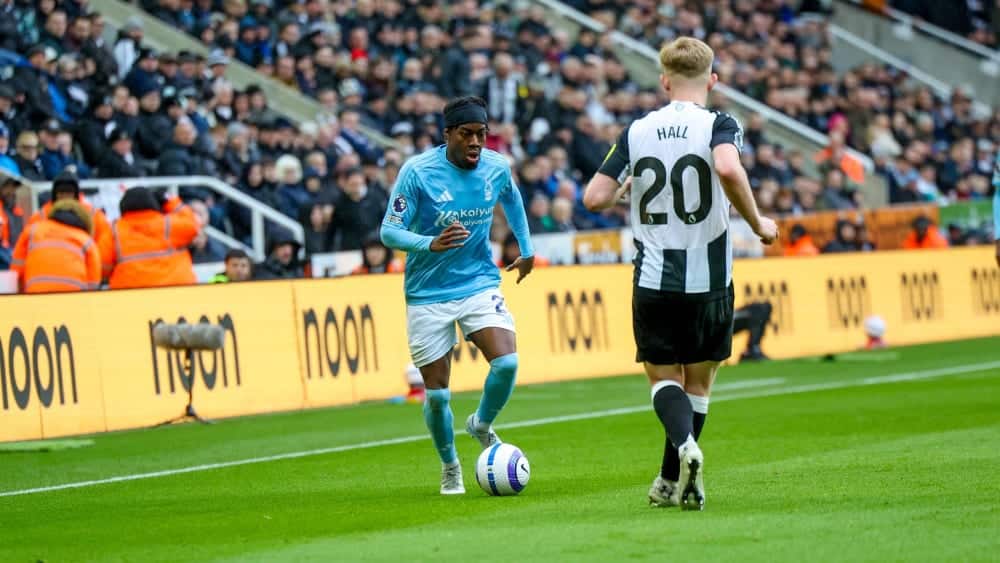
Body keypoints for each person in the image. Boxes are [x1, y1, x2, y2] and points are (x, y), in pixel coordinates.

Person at [582, 37, 777, 511]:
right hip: (710, 279)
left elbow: (593, 198)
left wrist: (625, 189)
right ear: (712, 80)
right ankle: (678, 467)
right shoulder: (720, 124)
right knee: (699, 386)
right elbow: (727, 167)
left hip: (653, 278)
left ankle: (675, 470)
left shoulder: (636, 131)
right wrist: (758, 223)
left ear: (664, 81)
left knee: (663, 379)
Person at [380, 95, 535, 495]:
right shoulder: (417, 172)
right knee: (437, 396)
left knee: (507, 362)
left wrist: (527, 248)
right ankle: (450, 465)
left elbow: (513, 200)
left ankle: (481, 424)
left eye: (482, 134)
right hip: (427, 293)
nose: (476, 142)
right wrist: (430, 243)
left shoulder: (496, 167)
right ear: (447, 134)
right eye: (467, 134)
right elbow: (389, 231)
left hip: (478, 282)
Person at [108, 188, 199, 289]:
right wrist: (169, 200)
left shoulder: (113, 230)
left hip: (130, 292)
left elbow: (104, 266)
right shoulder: (169, 224)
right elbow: (193, 225)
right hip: (177, 288)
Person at [28, 169, 114, 278]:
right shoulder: (40, 216)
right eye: (61, 193)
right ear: (55, 194)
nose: (65, 197)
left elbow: (104, 245)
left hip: (78, 269)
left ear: (76, 194)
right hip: (50, 270)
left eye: (69, 193)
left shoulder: (94, 215)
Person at [10, 199, 101, 293]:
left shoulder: (33, 230)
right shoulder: (86, 240)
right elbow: (93, 282)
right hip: (73, 296)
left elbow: (17, 269)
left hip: (36, 294)